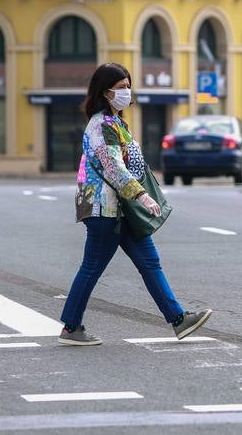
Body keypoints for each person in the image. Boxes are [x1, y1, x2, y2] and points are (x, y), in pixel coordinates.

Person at [58, 62, 212, 346]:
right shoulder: (102, 125)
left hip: (121, 209)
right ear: (105, 92)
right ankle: (71, 327)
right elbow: (114, 167)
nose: (127, 92)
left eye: (128, 86)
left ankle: (179, 319)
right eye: (120, 88)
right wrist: (141, 195)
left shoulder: (115, 122)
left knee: (149, 262)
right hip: (105, 208)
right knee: (92, 266)